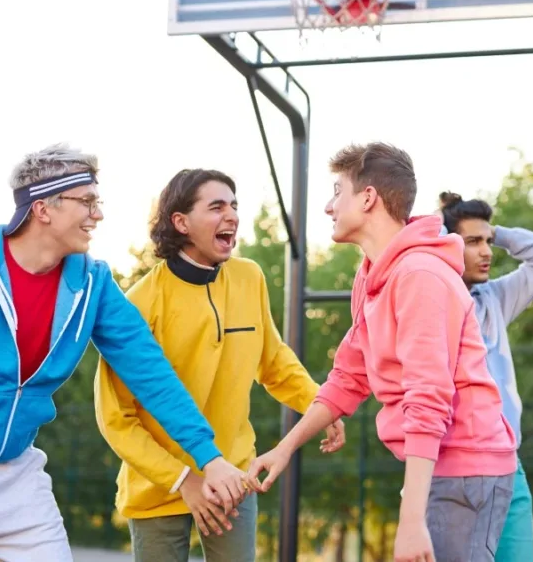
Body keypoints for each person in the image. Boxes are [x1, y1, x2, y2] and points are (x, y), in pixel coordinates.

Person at [0, 144, 247, 562]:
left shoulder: (94, 284)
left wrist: (209, 457)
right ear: (43, 208)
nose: (98, 214)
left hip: (17, 475)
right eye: (87, 202)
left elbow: (152, 376)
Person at [246, 143, 517, 562]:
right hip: (436, 464)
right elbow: (348, 376)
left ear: (368, 198)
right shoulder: (373, 275)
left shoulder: (420, 275)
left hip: (466, 465)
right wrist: (284, 448)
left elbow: (428, 396)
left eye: (338, 191)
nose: (328, 206)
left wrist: (411, 520)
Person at [94, 168, 345, 562]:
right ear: (181, 222)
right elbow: (116, 419)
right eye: (216, 207)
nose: (232, 215)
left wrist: (320, 403)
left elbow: (274, 362)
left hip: (233, 476)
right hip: (159, 486)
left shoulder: (249, 277)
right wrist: (183, 479)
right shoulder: (139, 303)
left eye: (234, 205)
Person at [437, 192, 533, 562]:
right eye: (473, 242)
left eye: (488, 242)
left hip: (507, 464)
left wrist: (500, 233)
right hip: (452, 469)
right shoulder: (431, 301)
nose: (486, 252)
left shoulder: (494, 298)